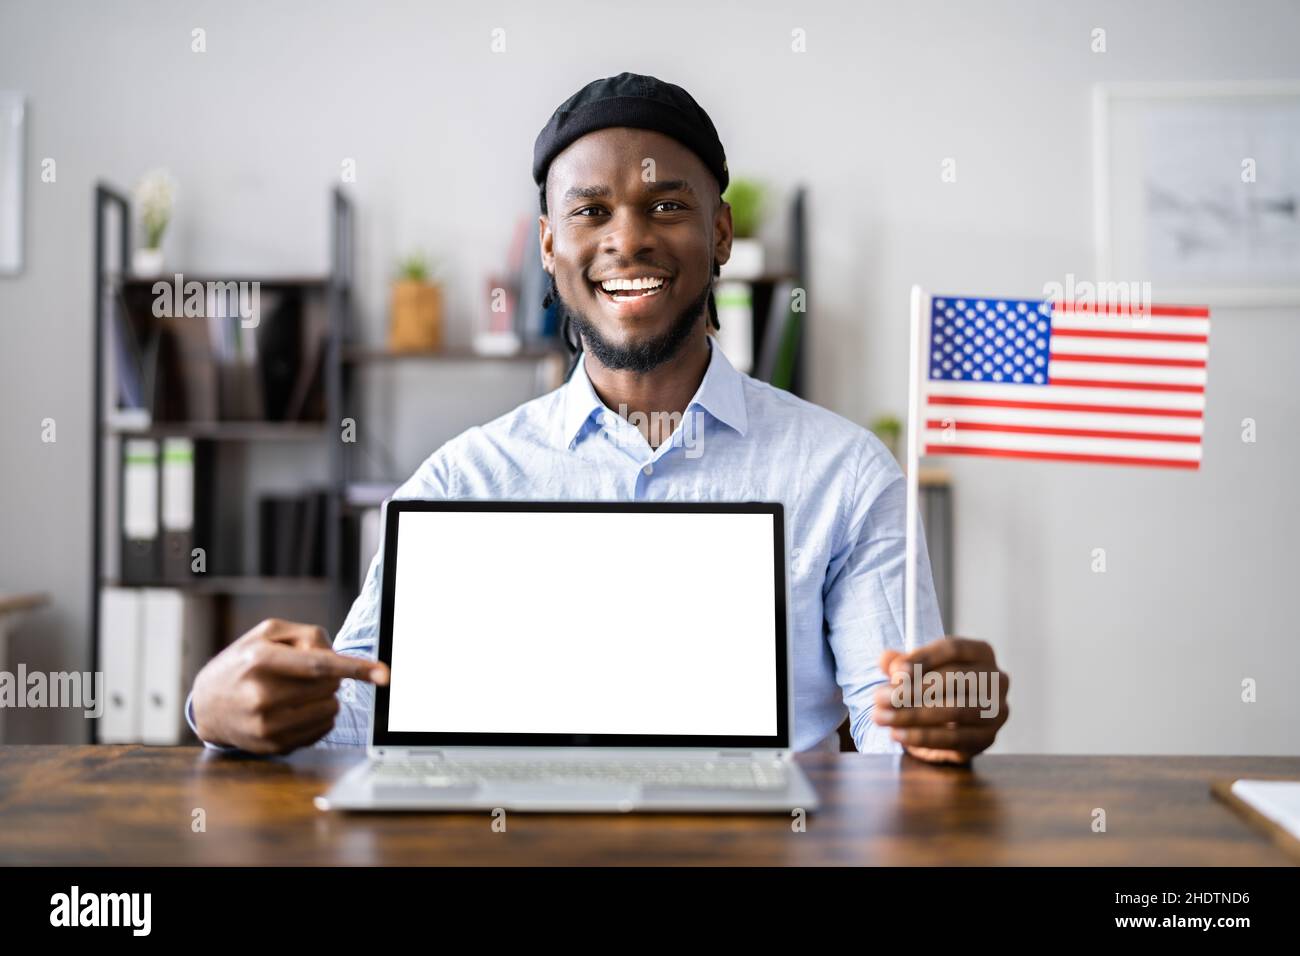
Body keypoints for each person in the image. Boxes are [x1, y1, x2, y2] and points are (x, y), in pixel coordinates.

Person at [188, 72, 1009, 763]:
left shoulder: (846, 474)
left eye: (666, 206)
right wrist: (216, 709)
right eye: (590, 212)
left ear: (720, 232)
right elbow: (355, 722)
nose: (629, 240)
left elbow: (894, 734)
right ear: (549, 245)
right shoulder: (460, 481)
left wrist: (940, 721)